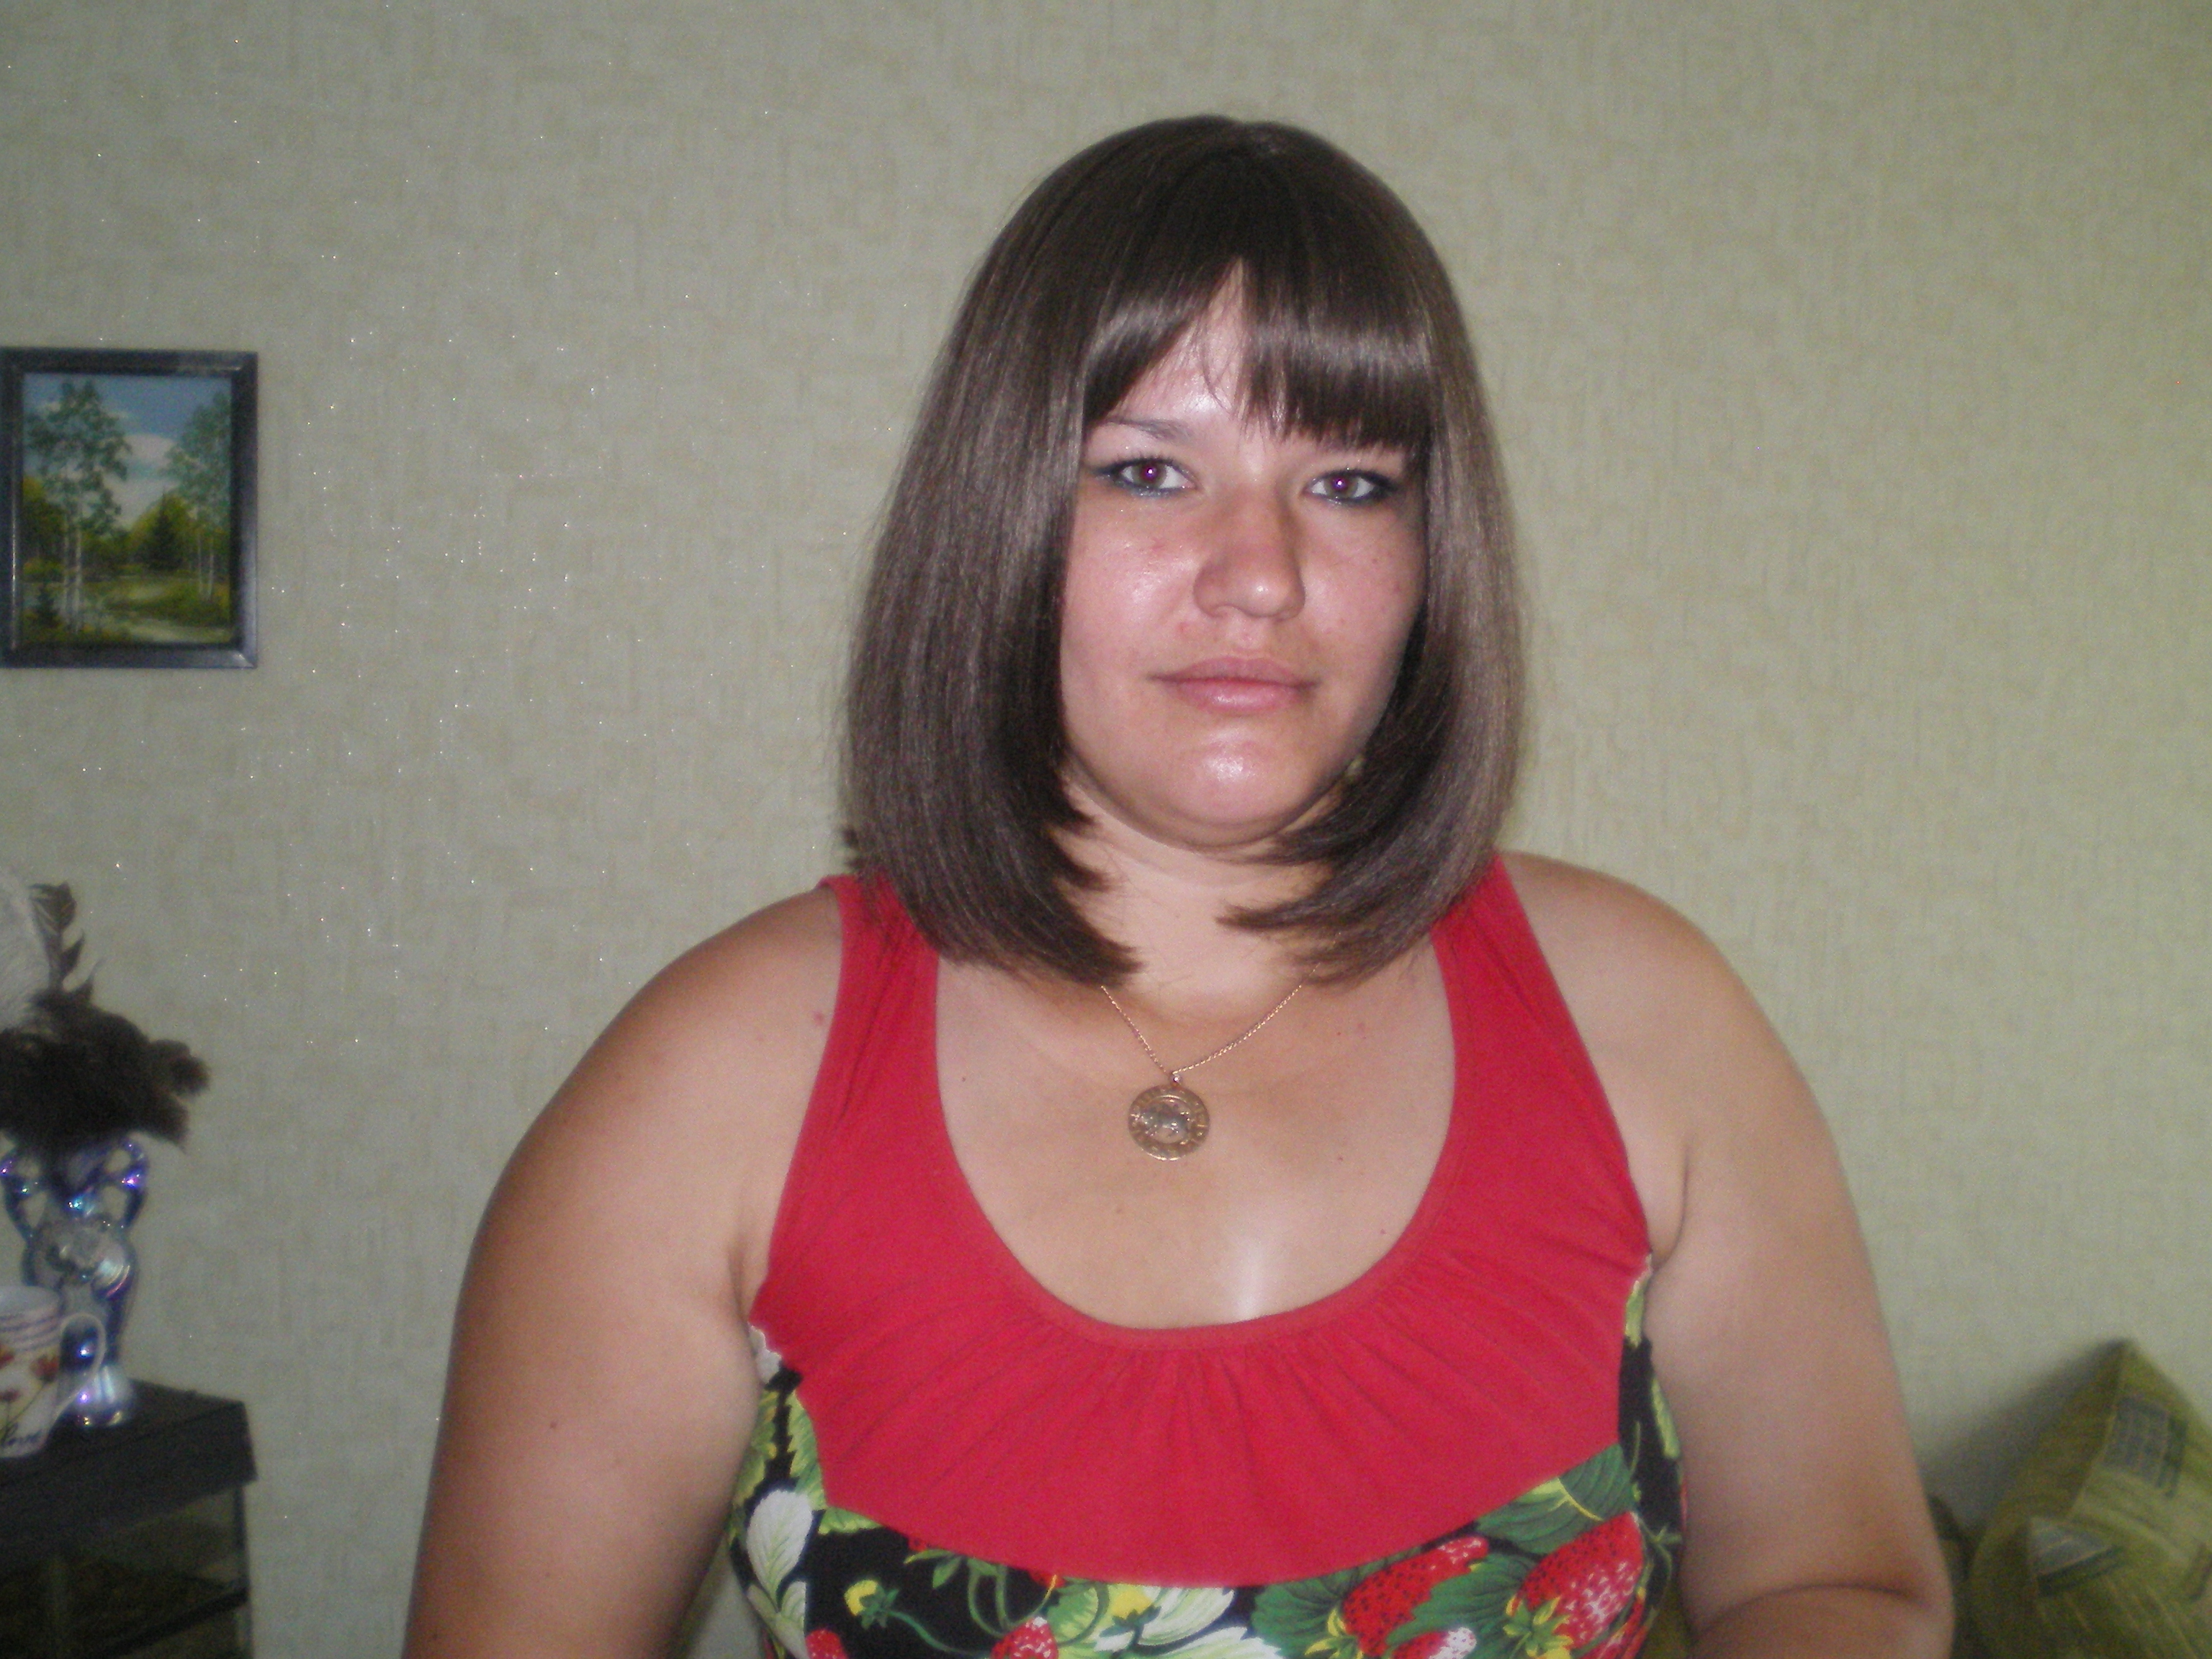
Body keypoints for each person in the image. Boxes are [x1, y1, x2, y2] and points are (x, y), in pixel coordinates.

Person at [405, 117, 1949, 1659]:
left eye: (1350, 482)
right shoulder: (707, 1094)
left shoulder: (1649, 1020)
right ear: (998, 516)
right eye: (1149, 472)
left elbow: (1842, 1584)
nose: (1261, 572)